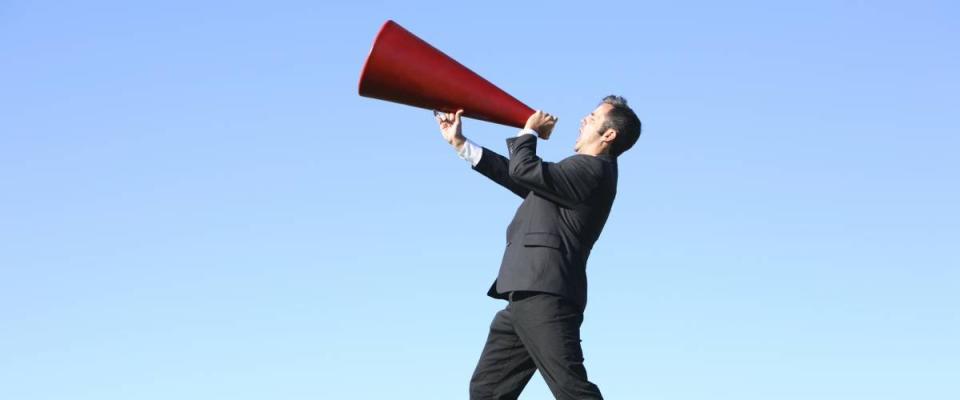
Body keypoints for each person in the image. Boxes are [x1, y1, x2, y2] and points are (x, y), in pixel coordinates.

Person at [435, 95, 642, 400]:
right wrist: (461, 144)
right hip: (526, 294)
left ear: (609, 135)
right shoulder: (577, 174)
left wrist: (529, 131)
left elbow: (524, 170)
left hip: (545, 295)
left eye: (593, 117)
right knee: (488, 390)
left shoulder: (593, 170)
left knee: (571, 389)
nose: (584, 119)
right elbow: (518, 174)